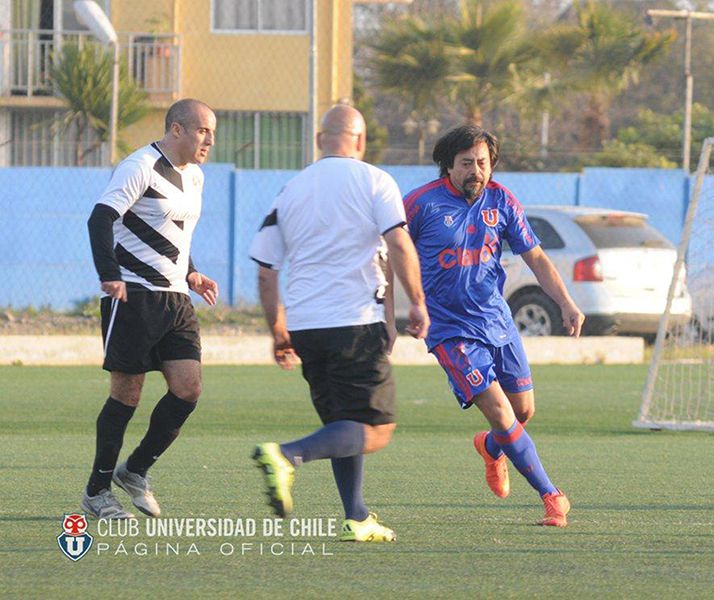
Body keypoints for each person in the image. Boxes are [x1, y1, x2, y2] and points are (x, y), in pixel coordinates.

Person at [249, 104, 428, 543]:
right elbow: (399, 244)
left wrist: (278, 330)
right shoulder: (375, 181)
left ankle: (357, 516)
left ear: (319, 140)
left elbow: (266, 270)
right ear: (361, 141)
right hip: (354, 322)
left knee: (343, 423)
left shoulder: (288, 191)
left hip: (307, 327)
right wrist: (417, 304)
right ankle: (288, 456)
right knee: (376, 429)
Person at [403, 125, 583, 527]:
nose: (476, 171)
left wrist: (566, 302)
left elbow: (535, 257)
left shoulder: (501, 200)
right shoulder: (420, 204)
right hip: (449, 329)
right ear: (447, 166)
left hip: (497, 320)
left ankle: (490, 447)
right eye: (466, 163)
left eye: (482, 163)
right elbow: (391, 250)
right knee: (501, 412)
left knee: (522, 410)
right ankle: (552, 496)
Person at [82, 98, 219, 519]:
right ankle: (97, 491)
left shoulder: (195, 176)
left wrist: (192, 273)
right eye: (202, 131)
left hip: (176, 298)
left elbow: (176, 231)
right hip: (135, 296)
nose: (209, 140)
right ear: (176, 129)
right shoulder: (139, 165)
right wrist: (111, 274)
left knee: (188, 388)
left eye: (212, 133)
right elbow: (100, 219)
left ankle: (136, 469)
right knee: (128, 395)